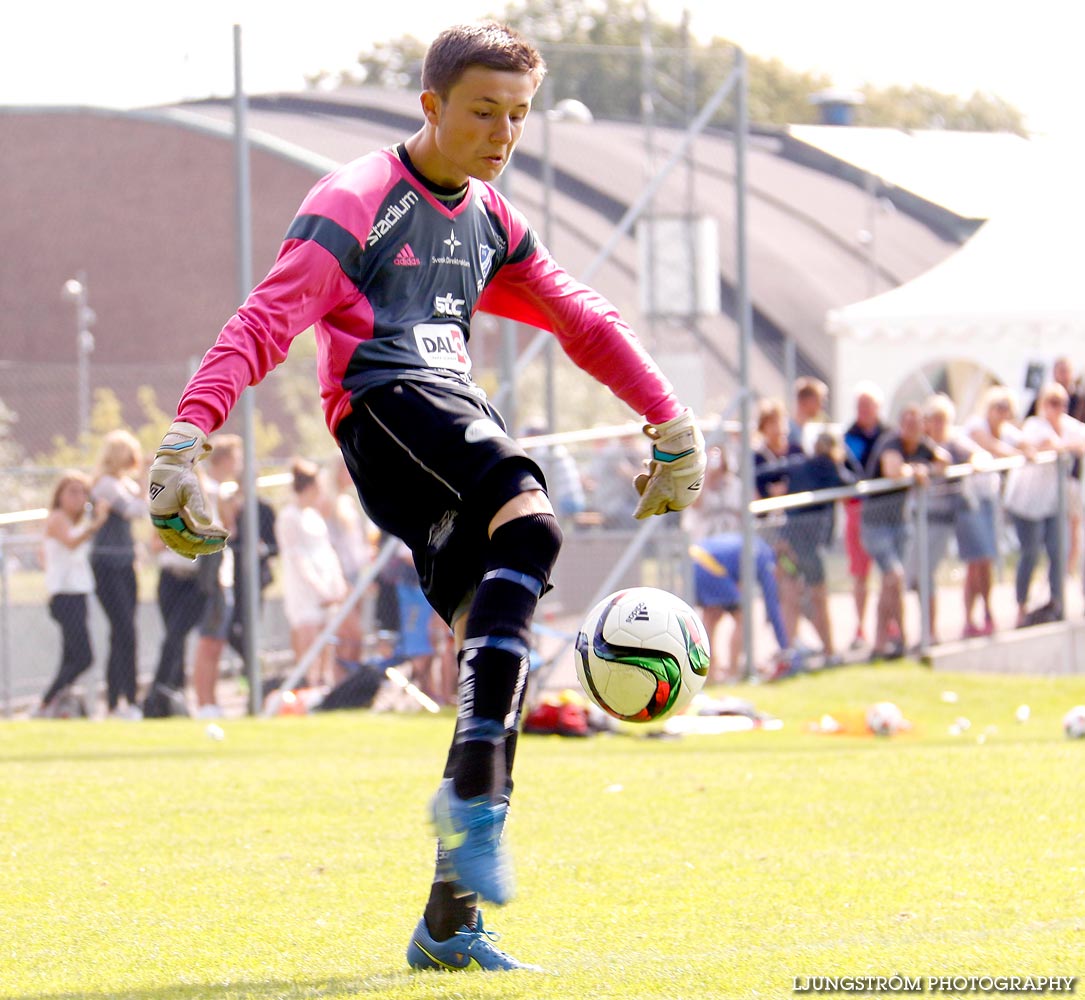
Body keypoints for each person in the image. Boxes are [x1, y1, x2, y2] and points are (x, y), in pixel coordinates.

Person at [146, 21, 704, 974]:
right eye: (483, 111)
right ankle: (479, 807)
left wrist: (671, 422)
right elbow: (267, 316)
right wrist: (183, 441)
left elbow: (580, 316)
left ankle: (449, 921)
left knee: (501, 644)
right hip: (384, 408)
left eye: (519, 116)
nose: (502, 133)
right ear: (431, 106)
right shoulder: (357, 199)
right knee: (527, 508)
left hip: (441, 418)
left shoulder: (489, 218)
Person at [861, 402, 948, 660]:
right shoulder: (891, 443)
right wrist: (914, 471)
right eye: (907, 423)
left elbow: (943, 461)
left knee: (891, 584)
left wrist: (927, 469)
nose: (911, 428)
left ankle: (882, 641)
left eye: (916, 423)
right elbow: (892, 470)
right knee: (894, 577)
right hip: (875, 524)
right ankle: (899, 635)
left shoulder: (922, 446)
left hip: (899, 523)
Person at [1003, 381, 1085, 626]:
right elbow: (1045, 443)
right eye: (1052, 402)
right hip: (1027, 503)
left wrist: (1066, 446)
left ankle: (1056, 603)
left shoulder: (1069, 427)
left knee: (1058, 551)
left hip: (1052, 504)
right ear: (1042, 404)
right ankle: (1021, 606)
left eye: (1061, 403)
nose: (1057, 407)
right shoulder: (1034, 425)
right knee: (1030, 553)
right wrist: (1065, 447)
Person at [34, 471, 108, 717]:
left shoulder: (77, 522)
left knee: (70, 658)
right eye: (72, 492)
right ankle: (45, 703)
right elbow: (70, 542)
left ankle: (54, 706)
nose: (78, 498)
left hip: (78, 593)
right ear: (60, 495)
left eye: (82, 492)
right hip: (64, 596)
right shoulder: (57, 518)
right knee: (84, 657)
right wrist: (98, 522)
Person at [910, 394, 982, 646]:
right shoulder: (918, 446)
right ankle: (925, 630)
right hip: (918, 520)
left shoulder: (954, 444)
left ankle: (930, 632)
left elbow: (976, 455)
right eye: (934, 419)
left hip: (942, 520)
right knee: (915, 576)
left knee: (926, 573)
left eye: (943, 419)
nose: (939, 424)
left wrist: (973, 464)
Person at [275, 458, 351, 688]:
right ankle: (306, 684)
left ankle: (323, 683)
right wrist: (318, 589)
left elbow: (327, 551)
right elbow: (298, 559)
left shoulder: (315, 516)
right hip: (305, 590)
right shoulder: (289, 517)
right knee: (307, 635)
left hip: (327, 584)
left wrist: (337, 585)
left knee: (327, 638)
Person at [959, 386, 1029, 636]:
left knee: (984, 560)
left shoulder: (1006, 431)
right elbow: (990, 445)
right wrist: (1019, 455)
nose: (1002, 413)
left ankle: (984, 613)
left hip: (989, 500)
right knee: (977, 560)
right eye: (998, 407)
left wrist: (1028, 448)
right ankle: (973, 616)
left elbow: (1024, 443)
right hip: (969, 500)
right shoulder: (976, 425)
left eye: (1006, 408)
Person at [781, 431, 855, 664]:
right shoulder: (827, 466)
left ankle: (791, 650)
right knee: (817, 596)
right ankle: (829, 651)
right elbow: (854, 479)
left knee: (792, 595)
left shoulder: (802, 465)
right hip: (808, 547)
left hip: (789, 542)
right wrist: (842, 459)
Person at [90, 429, 147, 719]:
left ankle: (123, 699)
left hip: (126, 564)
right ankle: (120, 699)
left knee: (125, 632)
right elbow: (135, 510)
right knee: (124, 629)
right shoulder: (106, 486)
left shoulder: (123, 483)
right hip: (108, 566)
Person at [688, 532, 790, 683]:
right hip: (711, 566)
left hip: (695, 559)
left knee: (711, 616)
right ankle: (733, 671)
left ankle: (706, 673)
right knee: (742, 619)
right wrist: (785, 647)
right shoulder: (766, 557)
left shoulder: (757, 544)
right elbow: (771, 602)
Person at [189, 433, 242, 718]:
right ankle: (203, 702)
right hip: (211, 575)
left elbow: (229, 528)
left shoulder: (222, 490)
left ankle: (211, 700)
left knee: (218, 640)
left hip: (225, 572)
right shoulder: (203, 487)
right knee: (209, 640)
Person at [842, 380, 887, 650]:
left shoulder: (888, 434)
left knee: (887, 573)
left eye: (868, 405)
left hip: (884, 513)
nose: (863, 410)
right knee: (860, 574)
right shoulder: (850, 437)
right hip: (858, 512)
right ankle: (860, 628)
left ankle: (887, 624)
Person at [142, 536, 206, 718]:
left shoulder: (203, 513)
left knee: (174, 638)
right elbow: (156, 544)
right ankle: (171, 694)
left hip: (194, 583)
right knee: (175, 641)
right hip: (170, 580)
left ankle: (159, 691)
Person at [787, 376, 828, 454]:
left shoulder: (808, 431)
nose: (822, 406)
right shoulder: (787, 432)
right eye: (820, 400)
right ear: (807, 401)